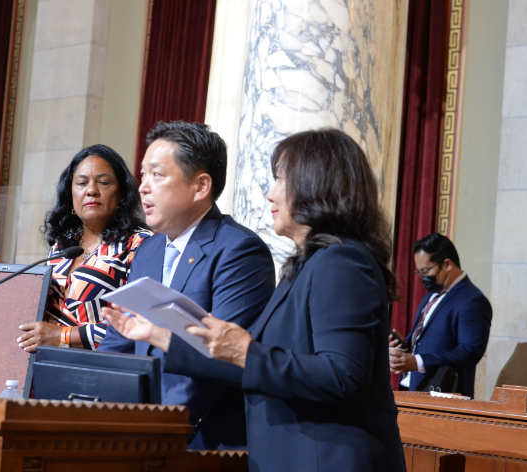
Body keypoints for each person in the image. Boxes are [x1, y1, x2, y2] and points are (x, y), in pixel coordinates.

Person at [103, 128, 406, 471]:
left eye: (279, 179)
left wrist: (247, 351)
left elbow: (343, 375)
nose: (270, 194)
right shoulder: (309, 265)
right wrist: (157, 335)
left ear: (314, 184)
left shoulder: (342, 262)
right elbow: (262, 359)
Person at [97, 121, 275, 450]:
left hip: (200, 441)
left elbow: (224, 357)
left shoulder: (238, 250)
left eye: (157, 175)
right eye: (143, 175)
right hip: (140, 432)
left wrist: (156, 430)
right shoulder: (149, 250)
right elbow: (120, 339)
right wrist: (91, 405)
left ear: (200, 186)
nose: (143, 187)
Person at [0, 144, 151, 351]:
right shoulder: (63, 246)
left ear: (121, 194)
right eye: (81, 183)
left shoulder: (140, 244)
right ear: (70, 194)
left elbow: (138, 325)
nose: (91, 190)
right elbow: (37, 314)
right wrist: (3, 276)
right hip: (47, 366)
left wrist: (61, 336)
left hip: (99, 371)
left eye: (103, 182)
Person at [389, 233, 492, 398]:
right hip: (412, 390)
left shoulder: (473, 300)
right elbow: (424, 344)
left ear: (447, 264)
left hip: (442, 396)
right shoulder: (429, 296)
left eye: (426, 271)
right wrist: (403, 346)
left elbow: (470, 352)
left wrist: (418, 362)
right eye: (419, 272)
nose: (423, 278)